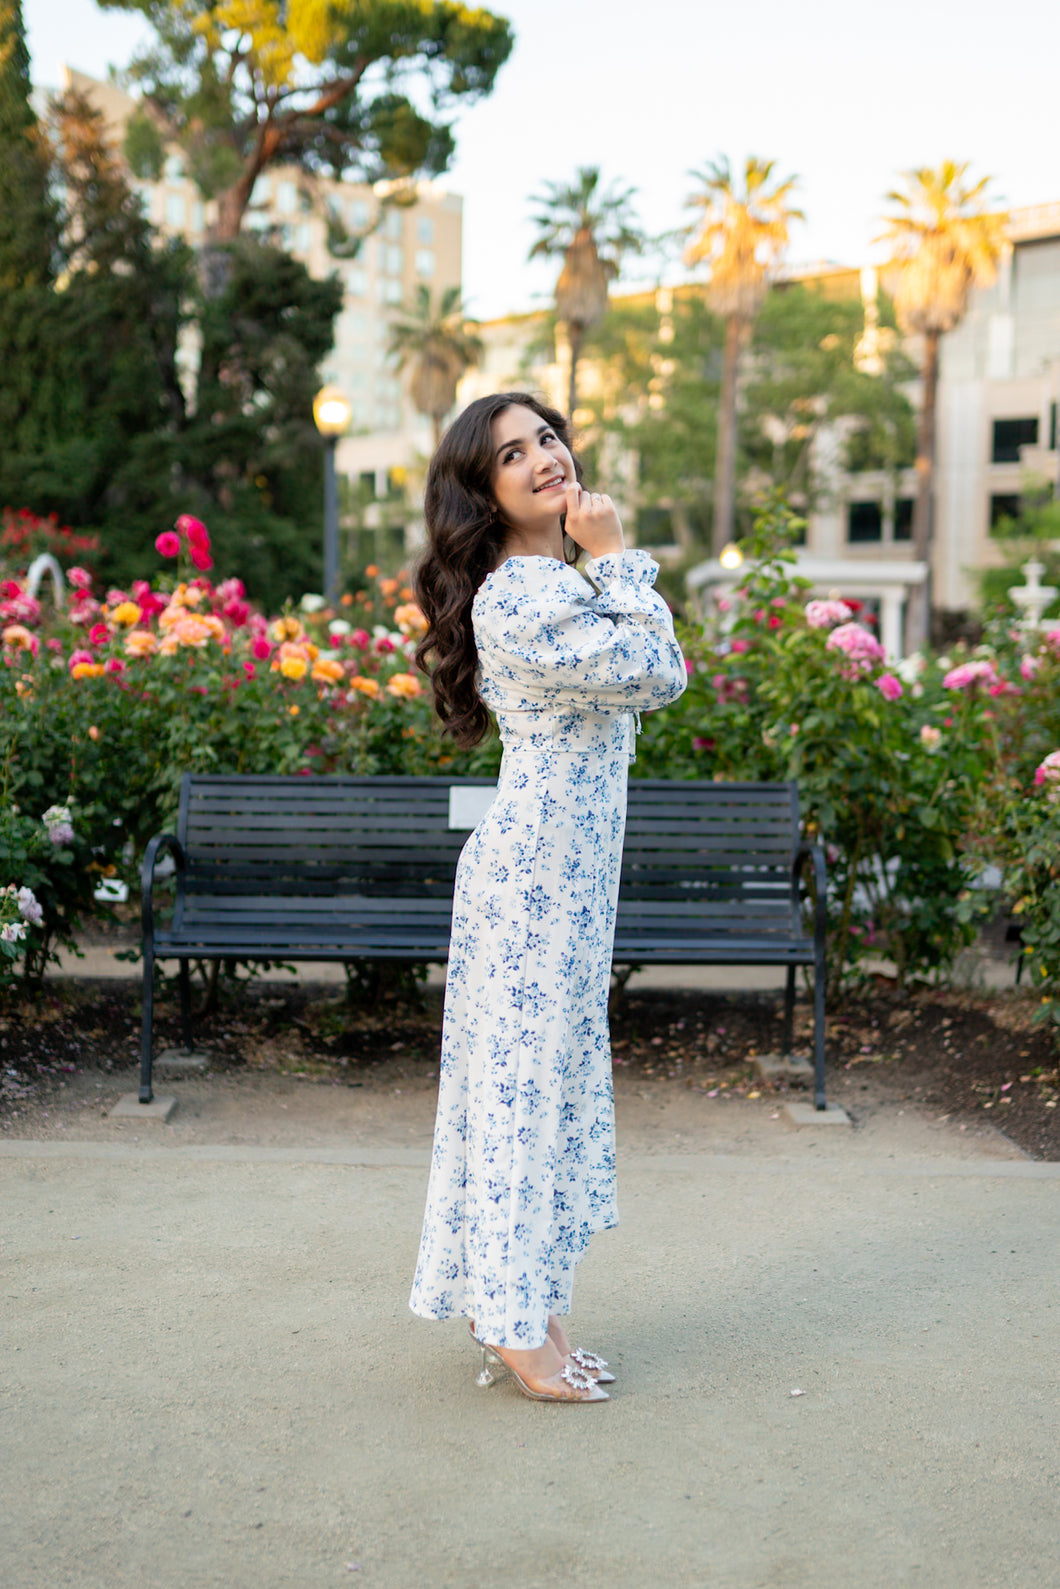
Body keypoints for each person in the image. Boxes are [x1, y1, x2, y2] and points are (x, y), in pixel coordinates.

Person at [408, 391, 687, 1402]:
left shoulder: (551, 583)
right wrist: (614, 552)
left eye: (549, 438)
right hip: (532, 882)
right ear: (482, 490)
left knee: (542, 1091)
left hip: (564, 882)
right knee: (523, 1093)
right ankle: (518, 1326)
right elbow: (658, 672)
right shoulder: (524, 595)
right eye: (512, 453)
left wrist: (597, 565)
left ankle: (522, 1302)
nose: (543, 459)